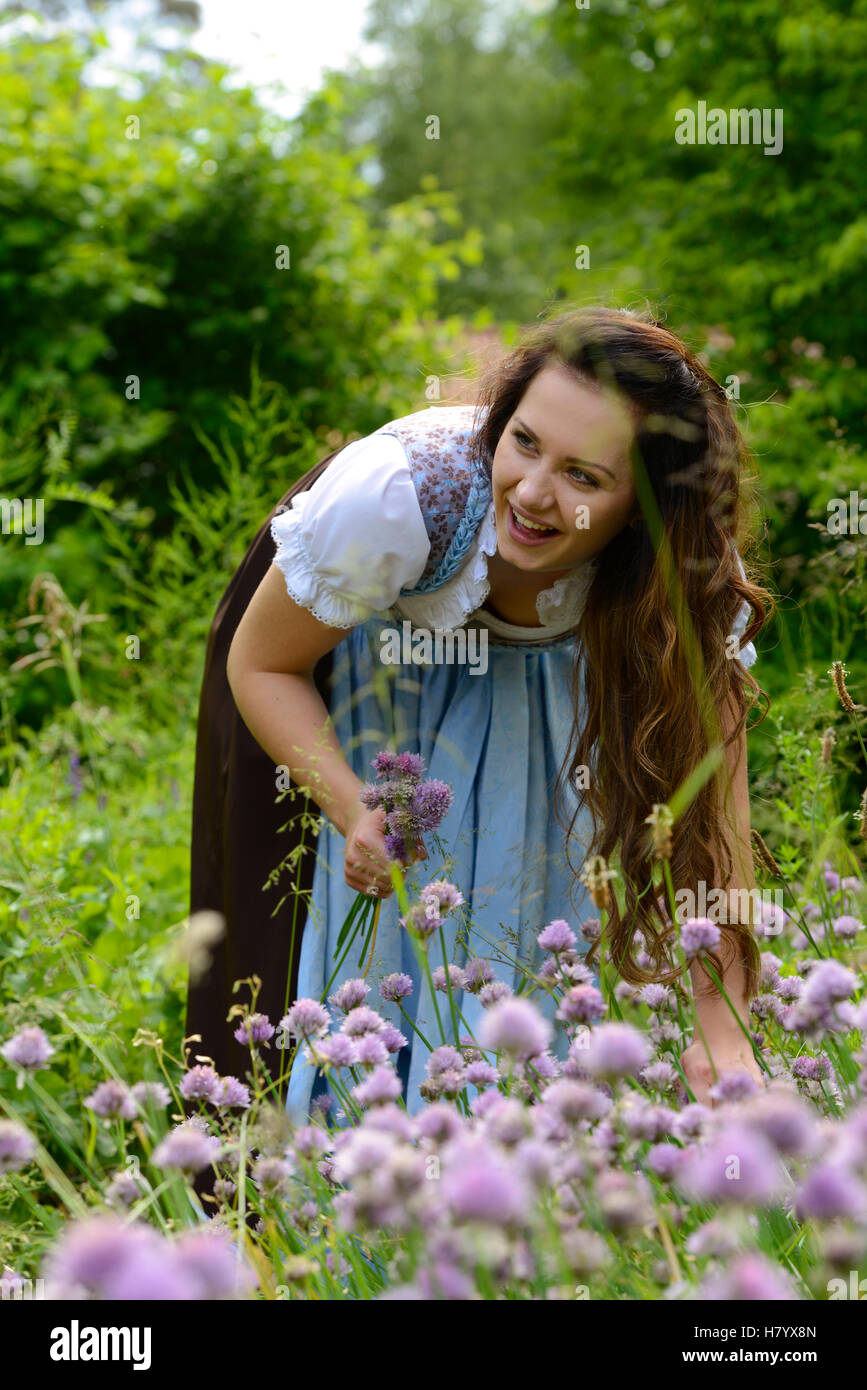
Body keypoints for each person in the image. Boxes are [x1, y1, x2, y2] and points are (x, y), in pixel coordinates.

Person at [185, 303, 772, 1124]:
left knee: (542, 897)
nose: (531, 493)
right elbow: (264, 662)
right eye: (523, 441)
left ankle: (531, 1157)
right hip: (343, 669)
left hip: (547, 681)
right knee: (289, 951)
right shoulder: (394, 498)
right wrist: (353, 805)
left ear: (641, 505)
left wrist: (722, 1027)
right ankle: (324, 1195)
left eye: (583, 476)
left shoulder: (688, 571)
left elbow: (711, 809)